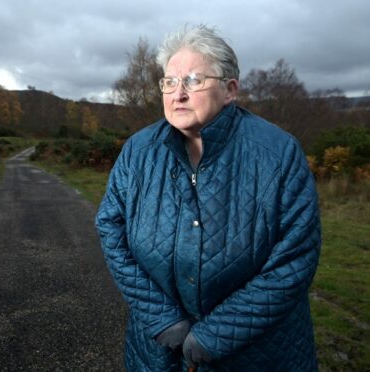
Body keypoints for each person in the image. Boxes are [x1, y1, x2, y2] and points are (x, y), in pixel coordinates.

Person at [95, 24, 321, 371]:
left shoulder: (278, 154)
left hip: (258, 356)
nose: (177, 94)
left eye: (193, 80)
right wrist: (161, 318)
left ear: (230, 90)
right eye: (169, 82)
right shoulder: (138, 151)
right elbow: (111, 230)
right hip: (156, 353)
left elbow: (296, 259)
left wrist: (215, 335)